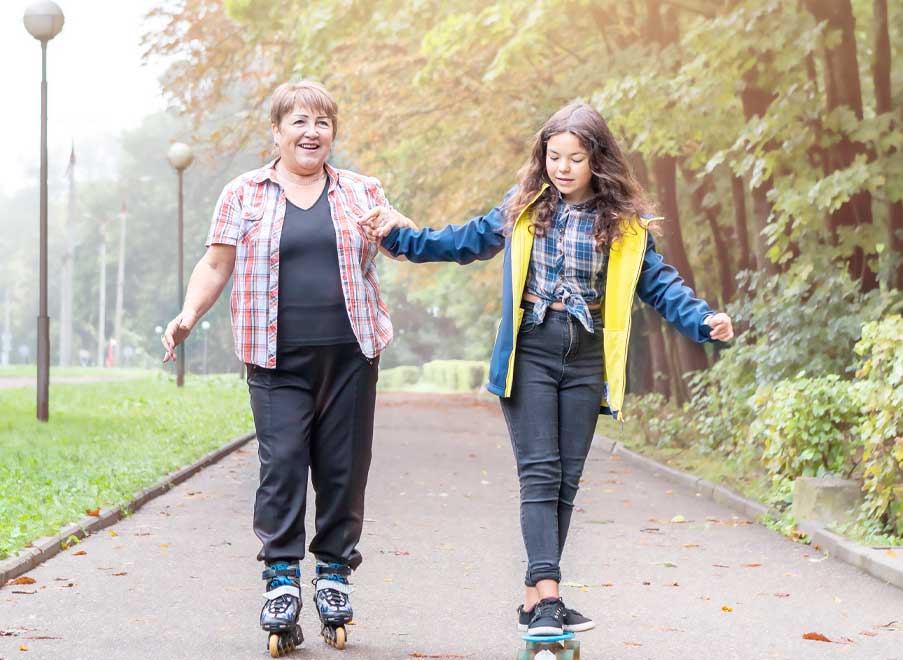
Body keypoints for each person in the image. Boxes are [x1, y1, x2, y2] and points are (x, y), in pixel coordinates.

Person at [360, 102, 734, 637]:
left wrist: (704, 321)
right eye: (553, 156)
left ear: (596, 161)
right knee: (539, 473)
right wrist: (399, 236)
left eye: (575, 158)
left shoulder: (625, 227)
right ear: (542, 158)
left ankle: (536, 598)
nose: (562, 167)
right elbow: (460, 242)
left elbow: (661, 285)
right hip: (530, 350)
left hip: (586, 358)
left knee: (566, 482)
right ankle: (551, 596)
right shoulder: (523, 208)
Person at [161, 81, 398, 655]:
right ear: (277, 132)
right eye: (298, 122)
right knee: (284, 465)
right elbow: (216, 264)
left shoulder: (361, 191)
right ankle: (282, 580)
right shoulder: (243, 193)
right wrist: (188, 315)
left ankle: (335, 574)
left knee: (343, 469)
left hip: (351, 354)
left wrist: (399, 225)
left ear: (333, 133)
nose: (311, 132)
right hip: (274, 360)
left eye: (321, 122)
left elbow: (400, 242)